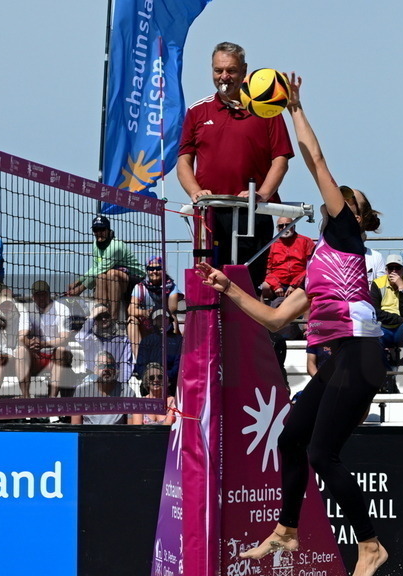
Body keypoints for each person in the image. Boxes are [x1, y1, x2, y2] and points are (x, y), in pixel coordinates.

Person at [196, 73, 388, 576]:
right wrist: (228, 289)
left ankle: (369, 546)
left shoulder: (346, 233)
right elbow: (278, 319)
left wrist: (296, 107)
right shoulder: (321, 261)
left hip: (361, 356)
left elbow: (317, 161)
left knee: (325, 453)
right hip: (340, 360)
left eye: (338, 198)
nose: (328, 197)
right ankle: (286, 530)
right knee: (290, 437)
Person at [178, 41, 294, 289]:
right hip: (210, 214)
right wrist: (194, 192)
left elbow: (281, 160)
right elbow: (184, 160)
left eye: (230, 70)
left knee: (248, 286)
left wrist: (262, 193)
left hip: (253, 212)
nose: (224, 77)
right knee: (209, 284)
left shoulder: (267, 109)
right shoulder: (197, 111)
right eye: (218, 70)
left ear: (244, 71)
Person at [66, 216, 145, 319]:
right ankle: (101, 316)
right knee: (100, 277)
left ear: (108, 230)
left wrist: (80, 289)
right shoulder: (95, 244)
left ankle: (114, 319)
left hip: (135, 279)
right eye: (96, 230)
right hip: (112, 278)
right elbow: (96, 268)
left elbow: (100, 268)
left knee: (111, 274)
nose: (99, 233)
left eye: (102, 229)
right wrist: (77, 281)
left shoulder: (115, 246)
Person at [370, 254, 403, 393]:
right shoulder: (377, 283)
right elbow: (374, 312)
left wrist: (402, 288)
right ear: (386, 270)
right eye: (390, 268)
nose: (394, 271)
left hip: (402, 329)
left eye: (397, 268)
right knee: (371, 330)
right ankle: (386, 375)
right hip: (383, 327)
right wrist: (400, 319)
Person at [16, 280, 74, 398]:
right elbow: (21, 336)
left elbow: (64, 338)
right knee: (20, 351)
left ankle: (52, 398)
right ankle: (25, 397)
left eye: (44, 294)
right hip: (36, 355)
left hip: (56, 355)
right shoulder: (27, 309)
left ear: (49, 294)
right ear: (33, 297)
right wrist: (30, 342)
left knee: (61, 350)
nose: (41, 298)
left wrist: (43, 344)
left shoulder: (62, 309)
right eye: (38, 295)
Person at [127, 256, 182, 359]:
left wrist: (157, 314)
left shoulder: (171, 287)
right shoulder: (140, 287)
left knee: (173, 319)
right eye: (151, 269)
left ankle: (171, 356)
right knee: (132, 320)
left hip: (163, 322)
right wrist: (145, 313)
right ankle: (140, 359)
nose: (154, 272)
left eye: (158, 268)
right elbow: (131, 309)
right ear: (147, 271)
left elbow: (172, 308)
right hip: (147, 324)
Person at [70, 350, 133, 425]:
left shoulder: (127, 392)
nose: (106, 369)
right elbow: (75, 425)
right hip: (89, 435)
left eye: (110, 366)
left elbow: (131, 427)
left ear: (115, 370)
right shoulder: (81, 391)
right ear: (95, 370)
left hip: (116, 435)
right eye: (102, 366)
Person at [76, 303, 133, 384]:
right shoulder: (89, 337)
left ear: (111, 317)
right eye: (99, 317)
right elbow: (79, 338)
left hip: (114, 380)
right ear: (94, 320)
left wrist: (121, 384)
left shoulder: (123, 339)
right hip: (92, 380)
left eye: (106, 315)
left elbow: (125, 364)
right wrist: (92, 316)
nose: (103, 319)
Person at [261, 217, 315, 301]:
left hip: (300, 281)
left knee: (310, 288)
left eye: (287, 225)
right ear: (277, 228)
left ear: (294, 226)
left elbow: (311, 266)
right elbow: (267, 270)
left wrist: (295, 285)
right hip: (278, 283)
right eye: (281, 226)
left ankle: (307, 313)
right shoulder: (271, 244)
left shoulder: (306, 241)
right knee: (265, 287)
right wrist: (276, 286)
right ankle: (267, 311)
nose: (284, 228)